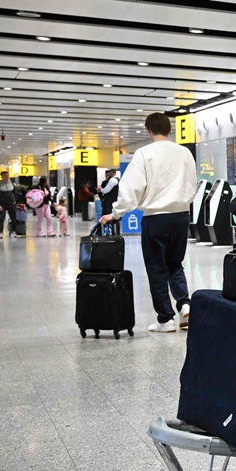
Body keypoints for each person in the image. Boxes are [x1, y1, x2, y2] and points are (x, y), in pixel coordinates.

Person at [99, 113, 198, 333]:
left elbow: (131, 187)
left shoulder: (145, 153)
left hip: (156, 217)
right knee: (175, 264)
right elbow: (192, 182)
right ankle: (185, 305)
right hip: (181, 215)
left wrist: (115, 213)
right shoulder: (184, 152)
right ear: (169, 129)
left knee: (156, 268)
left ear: (148, 129)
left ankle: (166, 319)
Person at [0, 171, 19, 239]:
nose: (7, 177)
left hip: (11, 203)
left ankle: (13, 231)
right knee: (1, 218)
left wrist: (16, 203)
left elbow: (14, 194)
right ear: (2, 177)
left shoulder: (12, 184)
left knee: (13, 218)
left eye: (7, 175)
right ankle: (0, 232)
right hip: (2, 204)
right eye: (5, 176)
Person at [100, 170, 120, 235]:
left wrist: (101, 190)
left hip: (110, 201)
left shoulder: (113, 180)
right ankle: (116, 232)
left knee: (111, 217)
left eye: (109, 173)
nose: (108, 175)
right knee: (115, 217)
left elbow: (106, 190)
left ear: (113, 173)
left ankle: (113, 232)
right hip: (115, 201)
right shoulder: (118, 180)